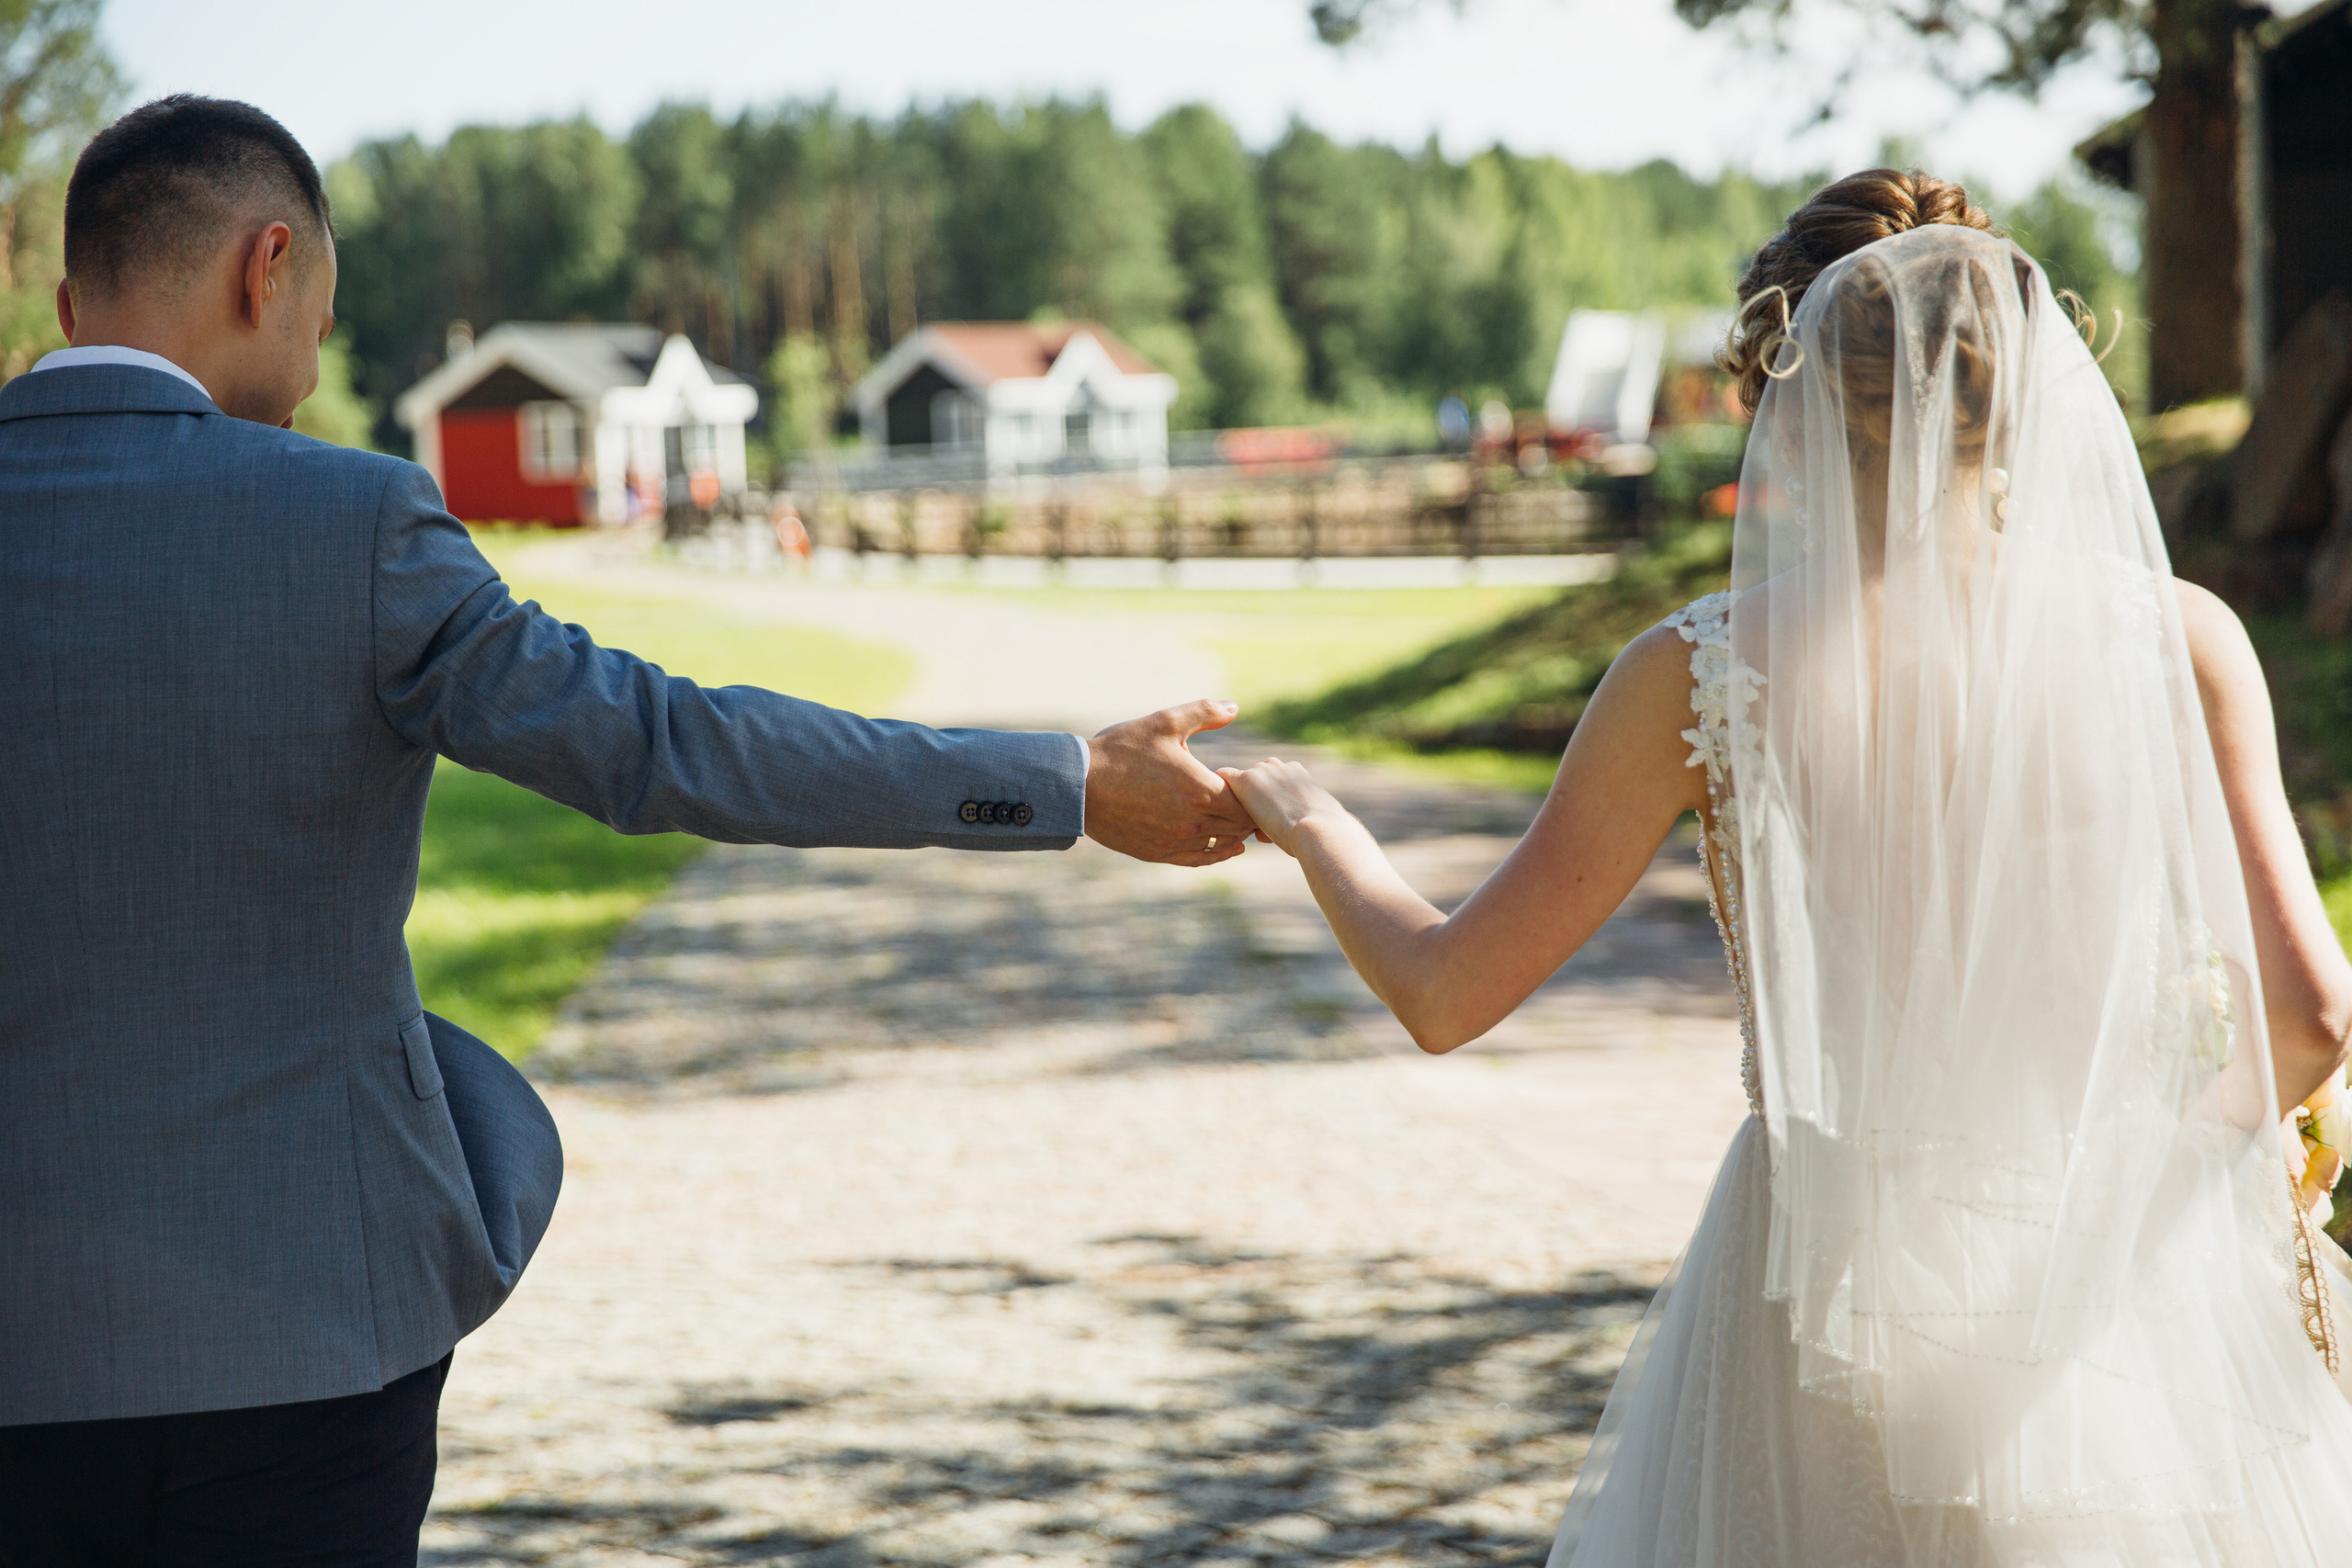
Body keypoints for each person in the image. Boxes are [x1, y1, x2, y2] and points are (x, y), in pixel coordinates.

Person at [0, 96, 1252, 1565]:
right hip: (312, 1334)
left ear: (76, 303)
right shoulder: (352, 523)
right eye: (325, 322)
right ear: (264, 269)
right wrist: (1069, 782)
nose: (317, 367)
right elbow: (670, 744)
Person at [1224, 171, 2352, 1564]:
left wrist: (1313, 823)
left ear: (1785, 386)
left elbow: (1446, 992)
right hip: (2121, 1304)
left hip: (1821, 1303)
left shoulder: (1698, 675)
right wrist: (2141, 1190)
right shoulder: (2182, 640)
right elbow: (2313, 1017)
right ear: (2025, 390)